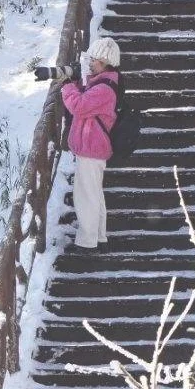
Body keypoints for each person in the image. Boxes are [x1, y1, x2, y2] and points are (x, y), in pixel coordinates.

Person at [59, 37, 121, 250]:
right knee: (94, 194)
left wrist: (66, 86)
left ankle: (87, 242)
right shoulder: (102, 84)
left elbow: (79, 105)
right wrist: (78, 80)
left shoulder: (104, 89)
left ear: (104, 62)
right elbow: (85, 96)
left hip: (92, 148)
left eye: (93, 60)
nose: (90, 63)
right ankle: (99, 238)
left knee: (86, 196)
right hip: (93, 148)